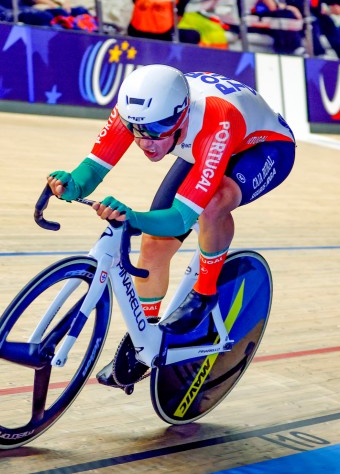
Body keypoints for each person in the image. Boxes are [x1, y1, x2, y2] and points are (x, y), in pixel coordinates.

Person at [46, 65, 296, 389]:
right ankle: (145, 343)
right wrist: (73, 184)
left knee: (213, 204)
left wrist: (132, 217)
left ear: (180, 117)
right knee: (153, 244)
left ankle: (204, 292)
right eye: (137, 131)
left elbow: (181, 218)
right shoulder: (137, 111)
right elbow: (95, 166)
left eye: (157, 131)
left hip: (264, 148)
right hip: (206, 143)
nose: (146, 142)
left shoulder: (214, 120)